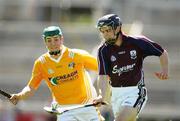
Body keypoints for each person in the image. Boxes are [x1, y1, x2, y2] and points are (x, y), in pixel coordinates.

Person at [10, 26, 104, 121]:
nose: (53, 44)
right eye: (49, 40)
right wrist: (20, 96)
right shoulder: (41, 63)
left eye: (56, 39)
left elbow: (103, 68)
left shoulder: (77, 55)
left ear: (61, 39)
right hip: (64, 111)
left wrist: (104, 93)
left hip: (86, 107)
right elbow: (31, 87)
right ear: (44, 41)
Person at [93, 14, 169, 121]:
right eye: (102, 31)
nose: (105, 35)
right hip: (115, 94)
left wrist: (164, 70)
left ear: (118, 28)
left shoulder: (137, 42)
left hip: (135, 92)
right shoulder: (103, 50)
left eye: (108, 30)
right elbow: (103, 76)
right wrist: (102, 95)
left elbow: (162, 52)